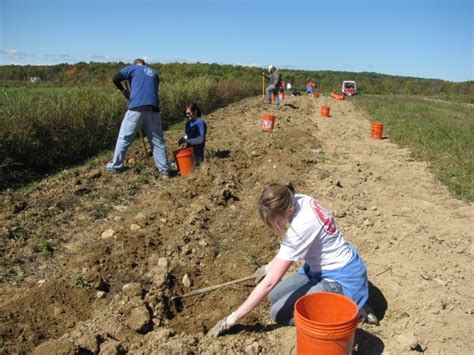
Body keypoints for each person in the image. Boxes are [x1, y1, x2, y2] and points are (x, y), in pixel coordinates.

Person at [208, 182, 374, 337]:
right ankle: (328, 298)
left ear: (285, 212)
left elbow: (269, 283)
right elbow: (282, 260)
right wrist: (269, 266)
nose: (272, 224)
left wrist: (232, 318)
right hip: (318, 269)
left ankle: (349, 309)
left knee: (277, 313)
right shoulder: (298, 199)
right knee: (274, 297)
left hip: (341, 278)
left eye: (273, 220)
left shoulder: (300, 229)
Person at [106, 58, 170, 177]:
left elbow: (115, 77)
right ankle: (164, 170)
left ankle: (116, 166)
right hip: (154, 109)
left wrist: (123, 91)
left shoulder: (132, 68)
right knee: (157, 141)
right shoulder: (154, 73)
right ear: (145, 64)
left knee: (124, 138)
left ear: (135, 64)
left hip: (136, 107)